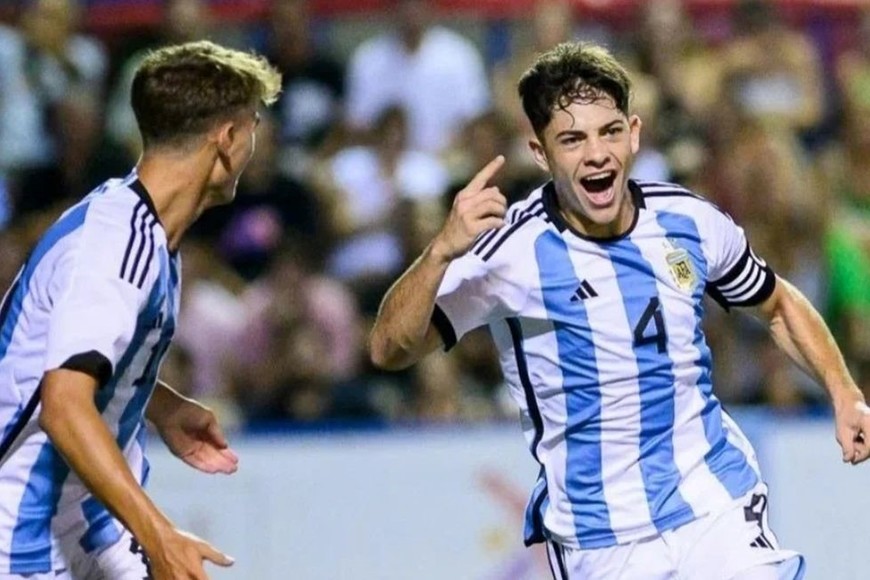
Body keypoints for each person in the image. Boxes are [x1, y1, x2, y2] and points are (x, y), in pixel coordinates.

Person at [369, 42, 870, 579]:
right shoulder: (510, 253)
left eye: (609, 131)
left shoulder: (688, 221)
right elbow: (389, 349)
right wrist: (441, 251)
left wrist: (845, 393)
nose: (597, 154)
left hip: (712, 503)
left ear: (633, 132)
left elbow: (777, 304)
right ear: (540, 153)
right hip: (598, 539)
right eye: (572, 139)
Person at [0, 40, 280, 579]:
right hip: (22, 534)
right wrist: (160, 535)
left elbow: (66, 359)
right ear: (226, 139)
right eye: (254, 126)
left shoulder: (143, 228)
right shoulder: (116, 247)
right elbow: (63, 405)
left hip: (87, 521)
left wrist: (159, 405)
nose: (257, 142)